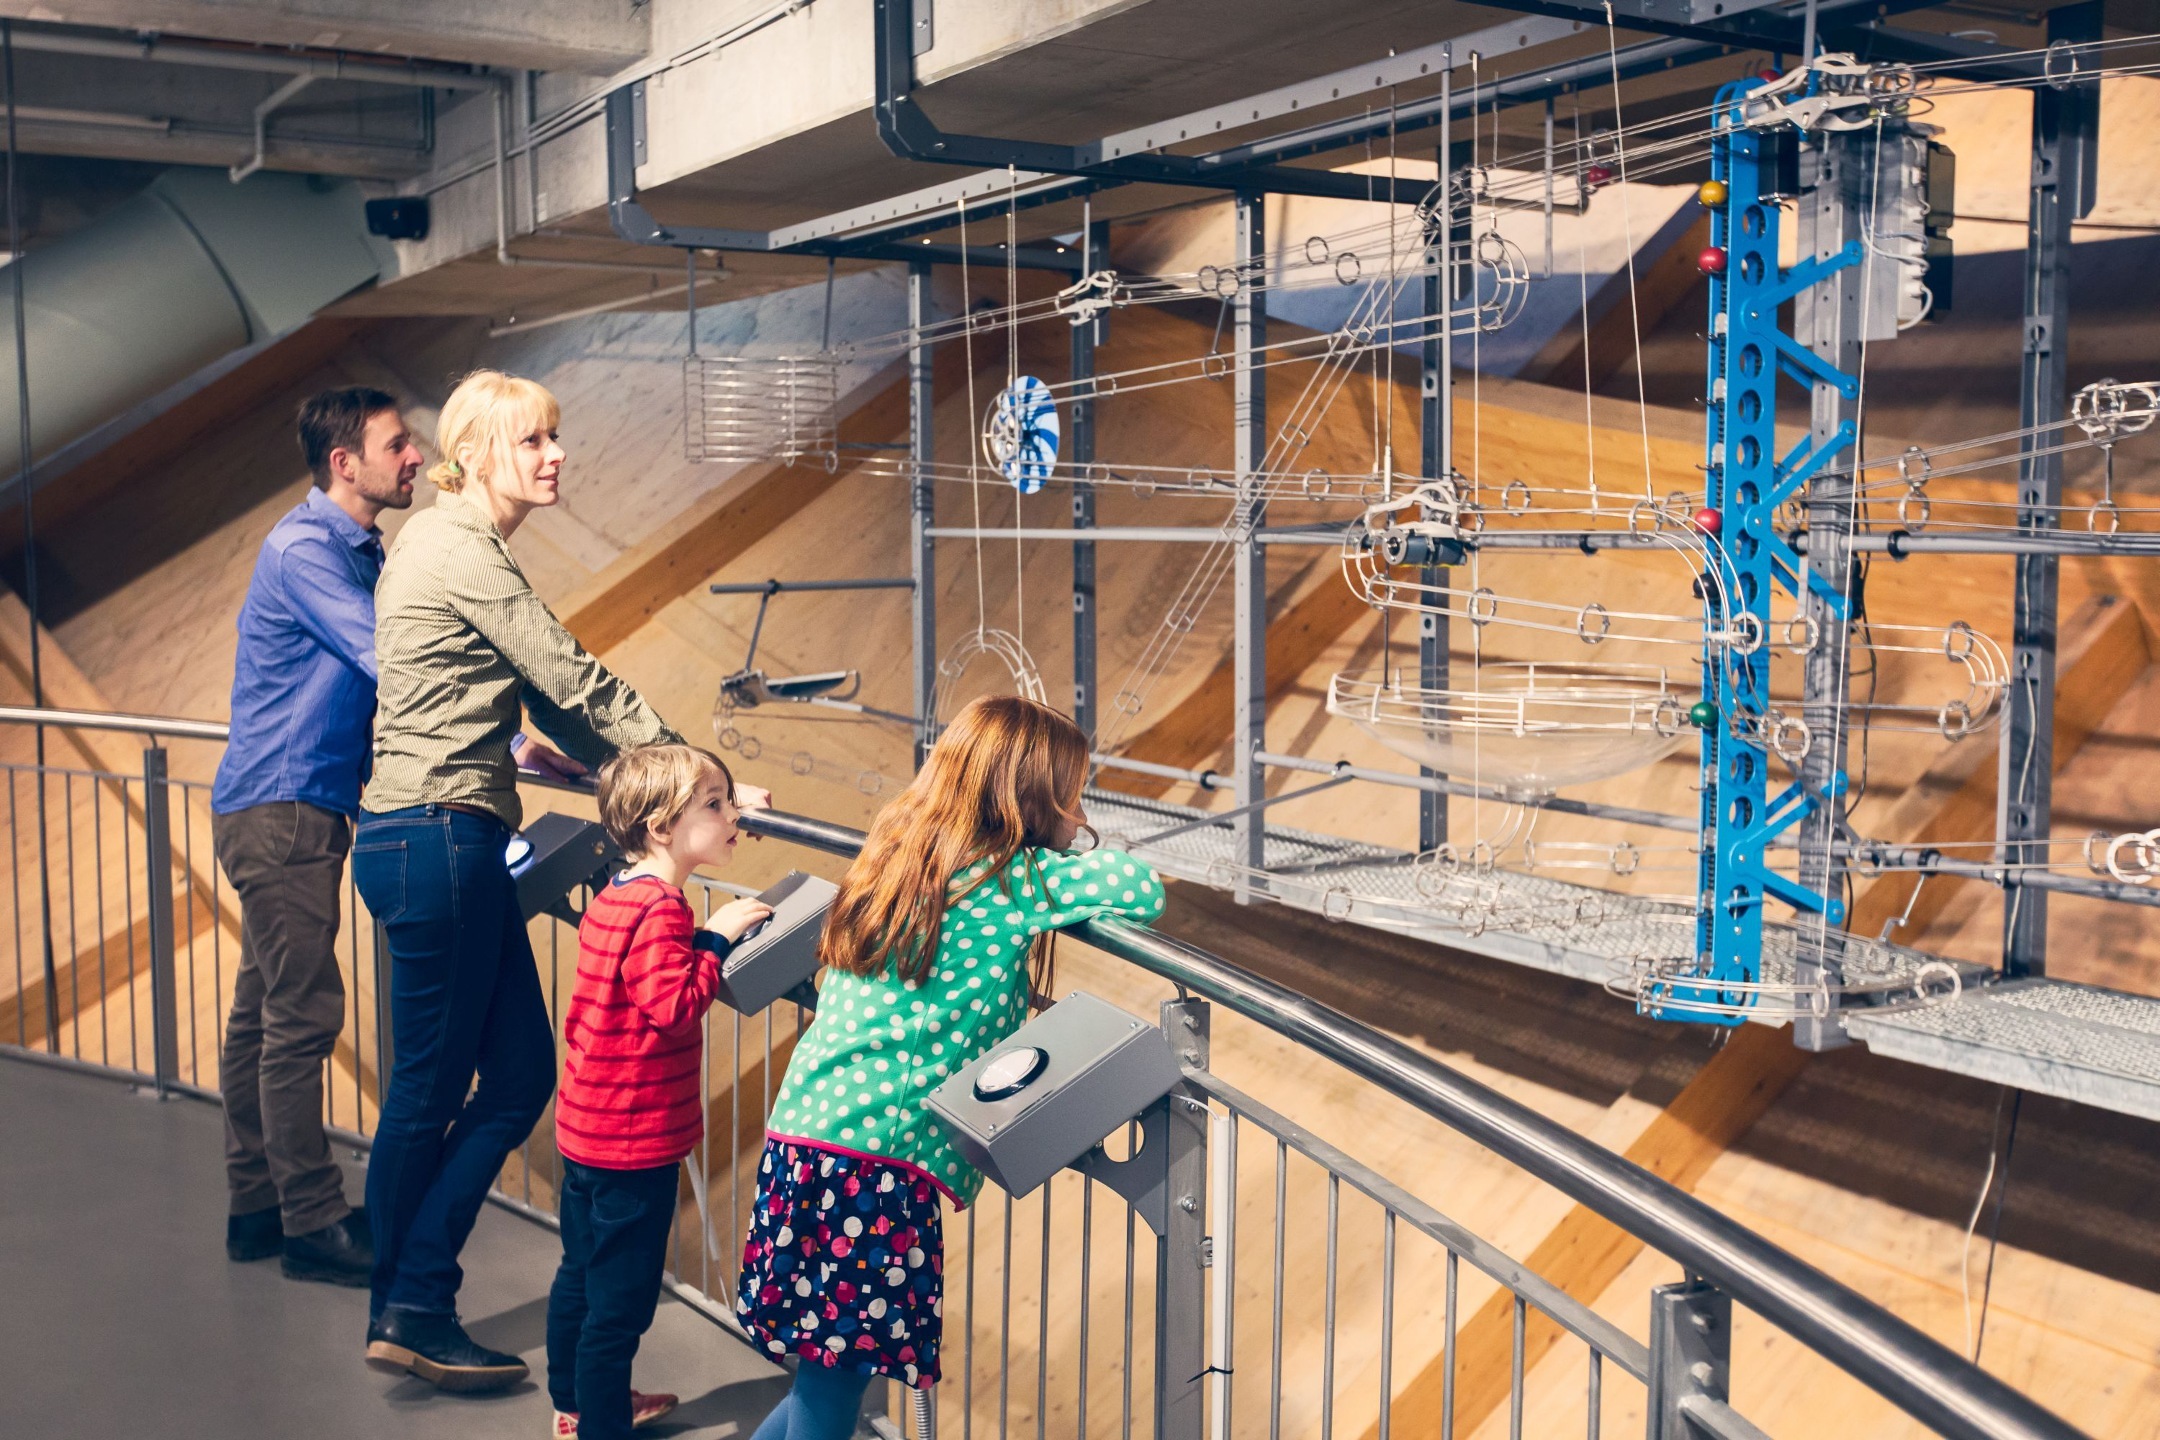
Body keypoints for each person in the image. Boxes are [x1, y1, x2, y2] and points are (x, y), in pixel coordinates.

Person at [353, 369, 770, 1391]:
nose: (557, 454)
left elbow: (552, 711)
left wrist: (641, 771)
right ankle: (408, 1302)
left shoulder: (450, 548)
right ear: (481, 451)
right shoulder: (458, 549)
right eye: (536, 438)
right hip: (437, 838)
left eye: (556, 435)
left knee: (515, 1076)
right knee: (428, 1091)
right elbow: (572, 678)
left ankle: (409, 1294)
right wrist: (696, 777)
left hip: (440, 837)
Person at [736, 695, 1165, 1439]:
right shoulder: (1015, 883)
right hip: (876, 1166)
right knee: (835, 1392)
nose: (1079, 807)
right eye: (1072, 792)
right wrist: (1067, 843)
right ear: (1033, 799)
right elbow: (1141, 890)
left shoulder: (899, 857)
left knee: (826, 1372)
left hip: (806, 1138)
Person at [212, 386, 422, 1285]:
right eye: (398, 443)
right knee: (302, 1018)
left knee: (261, 1015)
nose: (414, 456)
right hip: (287, 809)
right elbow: (386, 654)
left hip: (281, 806)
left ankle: (255, 1208)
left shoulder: (344, 545)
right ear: (347, 463)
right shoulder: (308, 552)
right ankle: (310, 1219)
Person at [545, 744, 775, 1439]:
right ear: (658, 826)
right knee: (620, 1306)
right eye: (714, 804)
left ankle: (573, 1403)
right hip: (631, 1144)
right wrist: (716, 937)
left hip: (588, 1131)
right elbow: (673, 1004)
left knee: (581, 1274)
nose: (732, 814)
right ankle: (600, 1427)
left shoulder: (617, 894)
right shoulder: (664, 910)